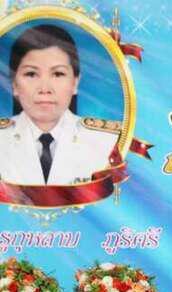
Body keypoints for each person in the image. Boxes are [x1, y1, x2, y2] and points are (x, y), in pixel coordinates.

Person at [0, 24, 120, 186]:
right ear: (14, 84)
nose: (45, 89)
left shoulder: (108, 142)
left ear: (75, 83)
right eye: (31, 74)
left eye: (58, 74)